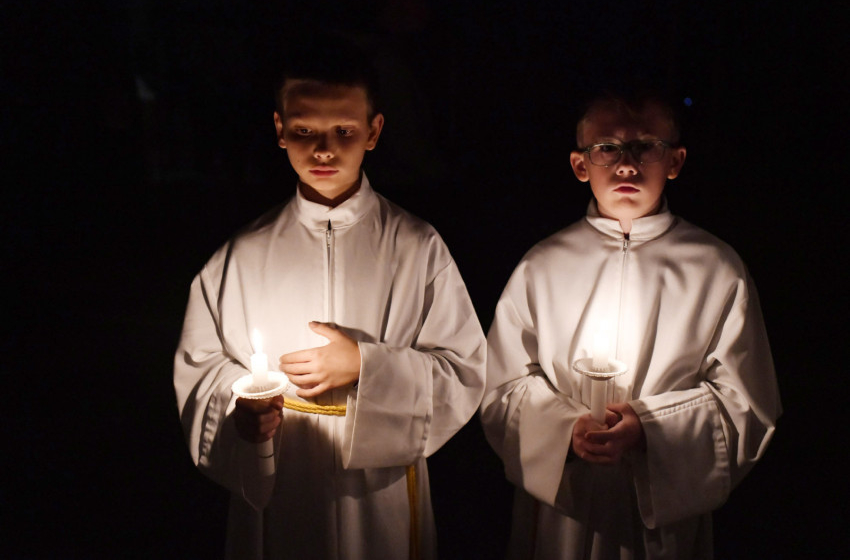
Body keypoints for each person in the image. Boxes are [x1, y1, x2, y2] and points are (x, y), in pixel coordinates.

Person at [174, 36, 486, 560]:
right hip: (282, 476)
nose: (324, 150)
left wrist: (366, 366)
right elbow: (200, 368)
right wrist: (241, 413)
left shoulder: (416, 246)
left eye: (344, 131)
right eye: (305, 131)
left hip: (379, 489)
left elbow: (463, 369)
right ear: (279, 129)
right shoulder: (241, 255)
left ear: (374, 131)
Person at [480, 92, 781, 559]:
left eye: (646, 147)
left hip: (661, 515)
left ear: (675, 161)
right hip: (566, 504)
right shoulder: (542, 266)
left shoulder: (716, 269)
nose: (626, 165)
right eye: (607, 148)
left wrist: (649, 429)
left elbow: (747, 405)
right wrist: (565, 429)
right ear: (580, 165)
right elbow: (500, 387)